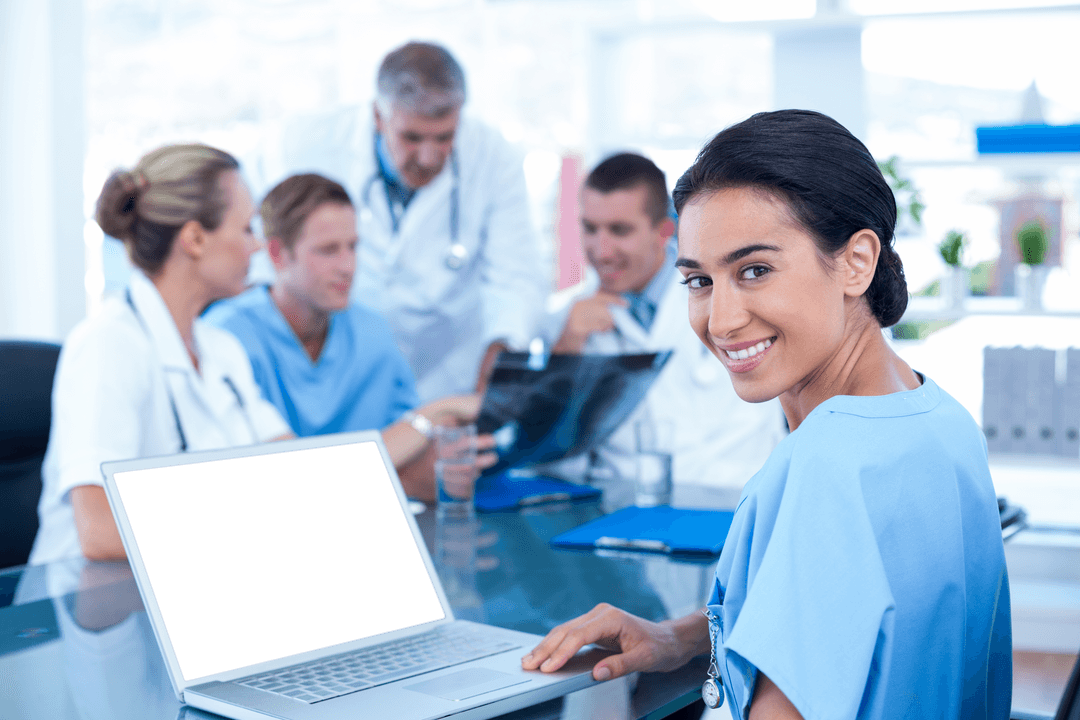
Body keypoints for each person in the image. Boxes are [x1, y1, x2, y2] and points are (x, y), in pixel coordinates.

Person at [522, 111, 1012, 719]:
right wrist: (676, 639)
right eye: (700, 280)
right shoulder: (941, 420)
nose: (720, 321)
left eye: (754, 270)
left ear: (857, 261)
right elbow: (840, 610)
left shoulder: (824, 467)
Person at [266, 41, 548, 403]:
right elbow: (268, 254)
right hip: (336, 368)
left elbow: (516, 276)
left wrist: (505, 345)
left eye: (444, 137)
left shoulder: (493, 155)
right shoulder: (305, 143)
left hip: (450, 375)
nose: (429, 157)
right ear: (378, 118)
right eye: (411, 138)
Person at [205, 173, 491, 500]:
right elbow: (262, 484)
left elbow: (413, 453)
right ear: (277, 254)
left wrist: (442, 467)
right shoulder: (227, 337)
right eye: (328, 250)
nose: (348, 266)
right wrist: (427, 430)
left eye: (352, 247)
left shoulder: (372, 333)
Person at [545, 153, 785, 496]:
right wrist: (566, 352)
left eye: (619, 230)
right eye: (590, 228)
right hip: (624, 514)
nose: (602, 250)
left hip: (734, 501)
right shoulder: (570, 321)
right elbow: (550, 460)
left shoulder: (730, 296)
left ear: (664, 231)